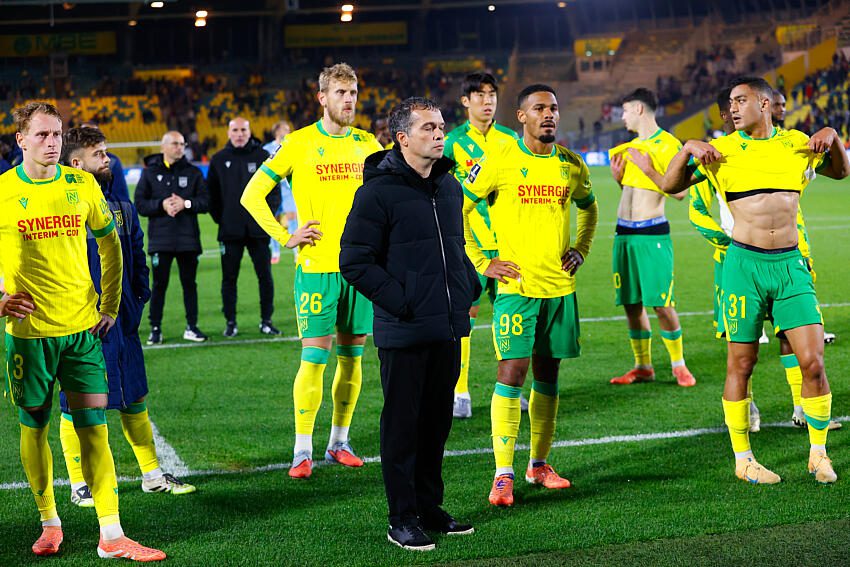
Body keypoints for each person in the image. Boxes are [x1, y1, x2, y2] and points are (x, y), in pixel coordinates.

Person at [660, 76, 850, 485]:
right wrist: (688, 148)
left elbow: (841, 171)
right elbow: (669, 185)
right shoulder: (722, 150)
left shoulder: (796, 144)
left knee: (813, 361)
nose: (732, 108)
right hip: (743, 266)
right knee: (742, 364)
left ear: (765, 104)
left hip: (791, 265)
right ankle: (743, 459)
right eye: (730, 102)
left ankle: (818, 454)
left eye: (740, 100)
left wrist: (833, 137)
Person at [0, 102, 165, 560]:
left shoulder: (82, 184)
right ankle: (49, 523)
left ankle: (111, 534)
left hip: (82, 332)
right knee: (34, 427)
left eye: (57, 134)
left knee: (95, 429)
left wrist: (109, 304)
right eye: (41, 135)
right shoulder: (4, 190)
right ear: (21, 139)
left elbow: (111, 244)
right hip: (29, 336)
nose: (51, 142)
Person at [340, 96, 479, 552]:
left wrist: (468, 287)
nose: (440, 134)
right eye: (428, 128)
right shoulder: (376, 192)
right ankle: (401, 518)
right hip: (404, 330)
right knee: (402, 428)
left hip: (447, 327)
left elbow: (454, 247)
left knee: (436, 424)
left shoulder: (449, 186)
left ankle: (429, 507)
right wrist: (403, 302)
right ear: (402, 138)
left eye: (441, 127)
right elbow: (354, 262)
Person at [242, 63, 383, 478]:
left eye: (353, 92)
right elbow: (252, 195)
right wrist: (284, 235)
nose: (349, 100)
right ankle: (302, 449)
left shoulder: (368, 144)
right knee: (315, 358)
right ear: (322, 98)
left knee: (352, 359)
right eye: (340, 92)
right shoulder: (299, 143)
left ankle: (339, 442)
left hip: (361, 268)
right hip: (318, 267)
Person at [461, 84, 599, 507]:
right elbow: (459, 208)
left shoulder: (570, 164)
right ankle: (502, 474)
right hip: (516, 289)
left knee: (548, 376)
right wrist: (482, 261)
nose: (549, 114)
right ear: (521, 116)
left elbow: (589, 207)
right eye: (539, 108)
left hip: (559, 288)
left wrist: (582, 248)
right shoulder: (498, 160)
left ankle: (538, 464)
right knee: (511, 373)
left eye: (553, 107)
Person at [59, 126, 196, 509]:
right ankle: (79, 484)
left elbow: (137, 256)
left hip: (123, 322)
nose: (108, 160)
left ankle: (152, 476)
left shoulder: (122, 208)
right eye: (99, 154)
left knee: (134, 396)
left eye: (106, 152)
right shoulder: (63, 212)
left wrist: (137, 300)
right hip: (82, 324)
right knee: (78, 403)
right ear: (77, 164)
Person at [607, 88, 696, 387]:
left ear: (639, 109)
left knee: (661, 303)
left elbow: (680, 192)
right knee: (631, 303)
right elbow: (634, 191)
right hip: (624, 233)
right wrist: (620, 181)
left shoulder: (669, 145)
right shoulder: (631, 146)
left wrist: (647, 169)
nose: (622, 117)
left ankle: (679, 365)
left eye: (625, 111)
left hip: (652, 233)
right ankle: (643, 365)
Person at [443, 72, 519, 419]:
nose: (487, 101)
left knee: (511, 317)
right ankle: (460, 391)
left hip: (508, 245)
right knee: (465, 317)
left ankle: (511, 388)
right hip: (469, 246)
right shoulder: (452, 143)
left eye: (491, 95)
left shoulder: (511, 140)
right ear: (466, 101)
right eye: (479, 95)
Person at [208, 117, 281, 337]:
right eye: (235, 130)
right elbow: (212, 196)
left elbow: (274, 192)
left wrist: (265, 218)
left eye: (243, 130)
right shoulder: (219, 159)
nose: (239, 134)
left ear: (250, 132)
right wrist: (224, 219)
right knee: (229, 279)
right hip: (230, 232)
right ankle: (230, 322)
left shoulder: (262, 156)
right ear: (228, 133)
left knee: (265, 277)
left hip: (258, 231)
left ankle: (266, 320)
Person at [134, 130, 209, 345]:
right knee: (159, 285)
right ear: (163, 147)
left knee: (189, 284)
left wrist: (186, 203)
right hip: (161, 240)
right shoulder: (150, 173)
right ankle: (155, 328)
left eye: (182, 144)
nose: (179, 147)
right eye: (175, 143)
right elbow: (140, 204)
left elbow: (206, 202)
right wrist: (162, 204)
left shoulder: (193, 172)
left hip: (188, 240)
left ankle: (192, 327)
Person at [263, 121, 298, 264]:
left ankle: (297, 251)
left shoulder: (291, 146)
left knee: (292, 218)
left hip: (288, 190)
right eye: (285, 129)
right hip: (274, 191)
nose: (288, 131)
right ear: (277, 131)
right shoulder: (267, 149)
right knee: (275, 220)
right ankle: (275, 252)